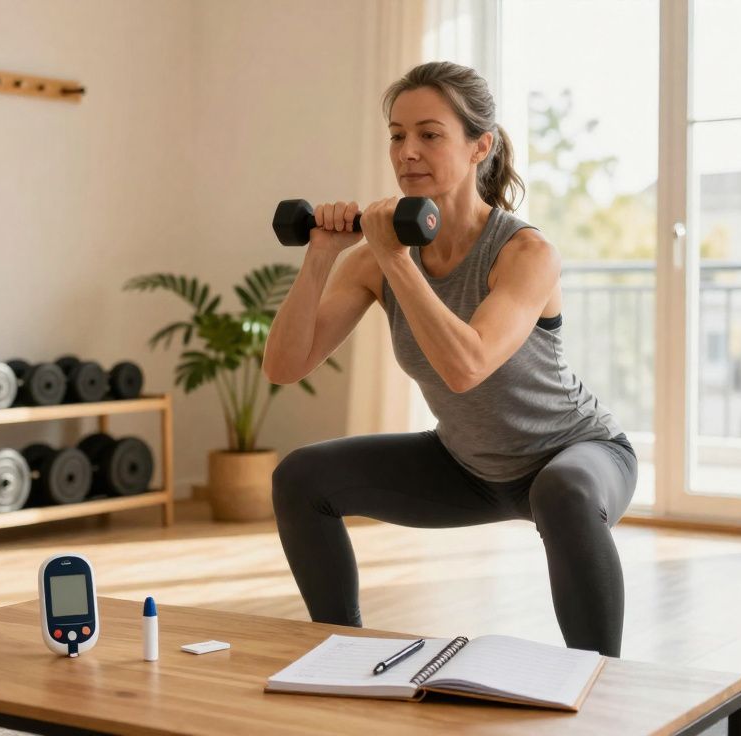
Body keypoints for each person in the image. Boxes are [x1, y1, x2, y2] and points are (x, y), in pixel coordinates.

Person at [262, 61, 637, 657]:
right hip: (468, 465)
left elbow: (467, 367)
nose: (407, 151)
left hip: (572, 454)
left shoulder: (525, 252)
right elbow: (283, 367)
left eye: (429, 134)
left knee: (562, 494)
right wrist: (322, 255)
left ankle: (602, 685)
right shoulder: (374, 258)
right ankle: (344, 658)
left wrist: (397, 262)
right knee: (301, 477)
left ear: (478, 147)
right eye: (396, 134)